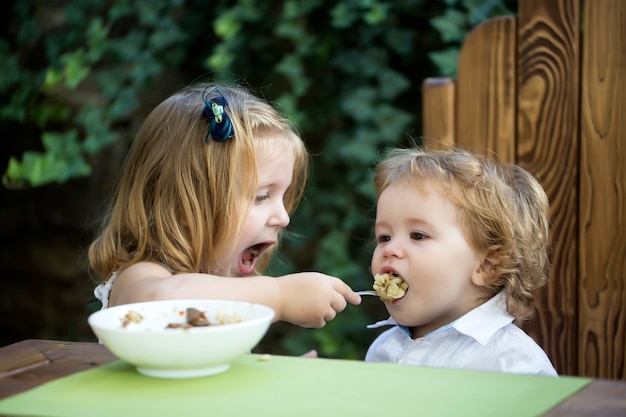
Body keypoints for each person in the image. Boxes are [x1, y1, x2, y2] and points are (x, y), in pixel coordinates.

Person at [88, 82, 361, 332]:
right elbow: (158, 304)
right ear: (184, 209)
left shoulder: (229, 291)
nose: (283, 217)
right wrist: (278, 295)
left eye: (284, 195)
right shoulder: (141, 277)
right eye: (261, 197)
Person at [364, 146, 558, 376]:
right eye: (384, 237)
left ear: (487, 265)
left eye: (418, 235)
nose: (390, 250)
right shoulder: (382, 351)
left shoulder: (512, 364)